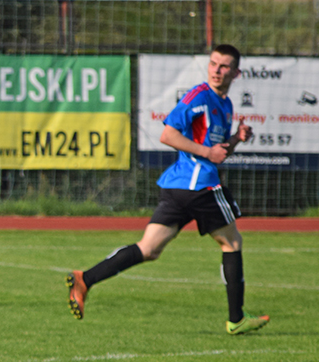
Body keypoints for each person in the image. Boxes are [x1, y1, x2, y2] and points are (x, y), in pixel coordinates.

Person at [67, 44, 269, 335]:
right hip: (199, 185)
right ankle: (236, 318)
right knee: (232, 243)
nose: (217, 70)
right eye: (213, 63)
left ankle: (84, 279)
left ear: (236, 73)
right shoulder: (198, 97)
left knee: (148, 249)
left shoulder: (224, 105)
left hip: (179, 187)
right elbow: (168, 134)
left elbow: (218, 150)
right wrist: (206, 152)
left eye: (224, 66)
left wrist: (237, 138)